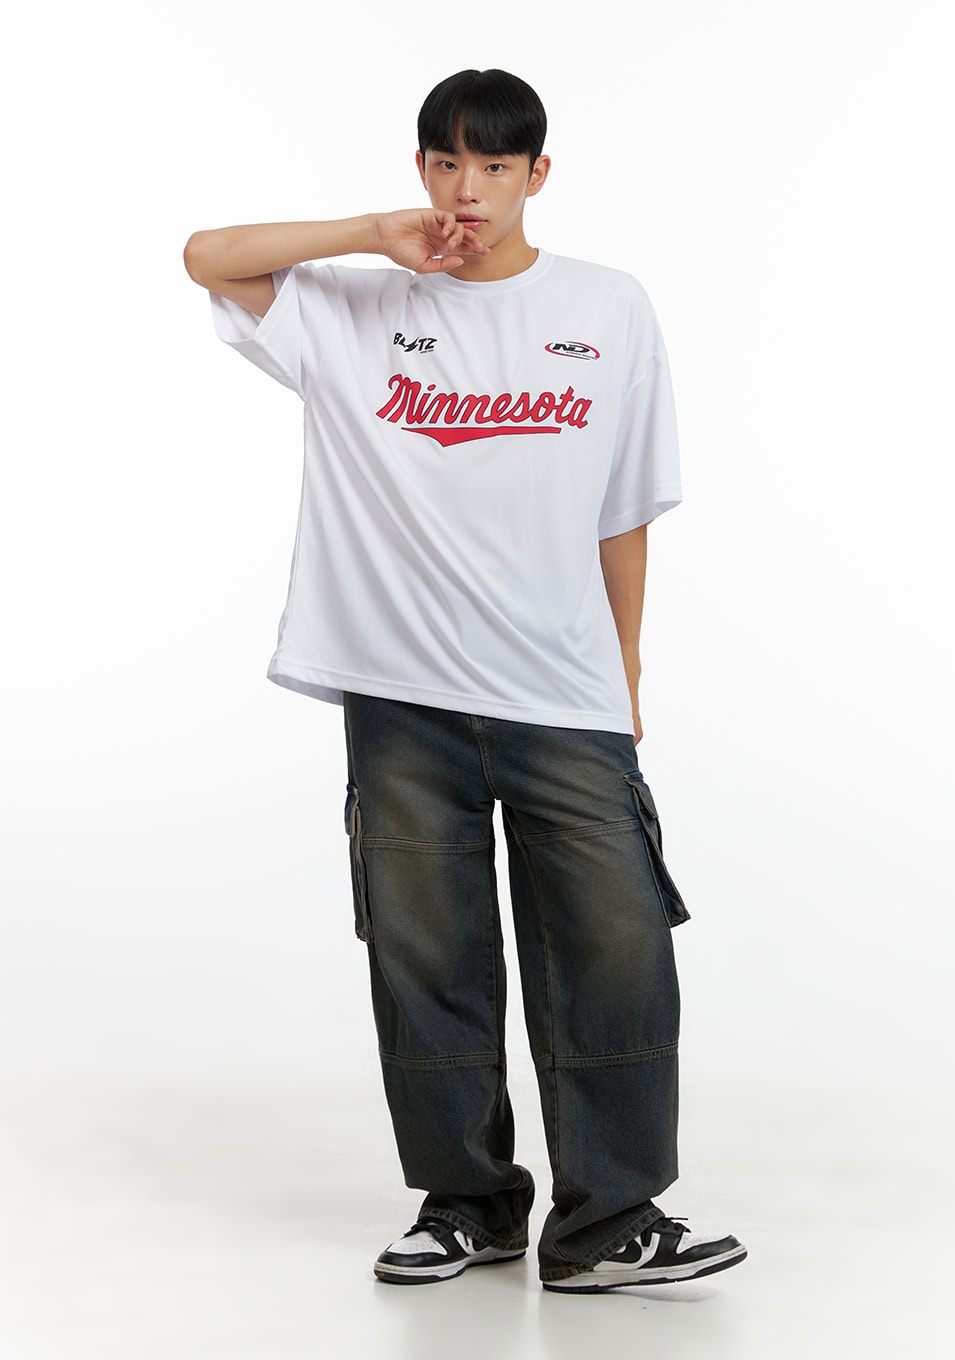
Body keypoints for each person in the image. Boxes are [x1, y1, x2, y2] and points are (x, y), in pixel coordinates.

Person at [183, 67, 747, 1293]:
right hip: (400, 697)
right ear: (421, 169)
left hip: (562, 691)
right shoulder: (353, 305)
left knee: (614, 950)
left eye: (494, 165)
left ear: (538, 174)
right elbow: (206, 257)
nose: (468, 189)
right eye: (446, 162)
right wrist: (368, 234)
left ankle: (609, 1220)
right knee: (425, 958)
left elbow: (622, 508)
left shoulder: (607, 306)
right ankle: (466, 1205)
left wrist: (626, 665)